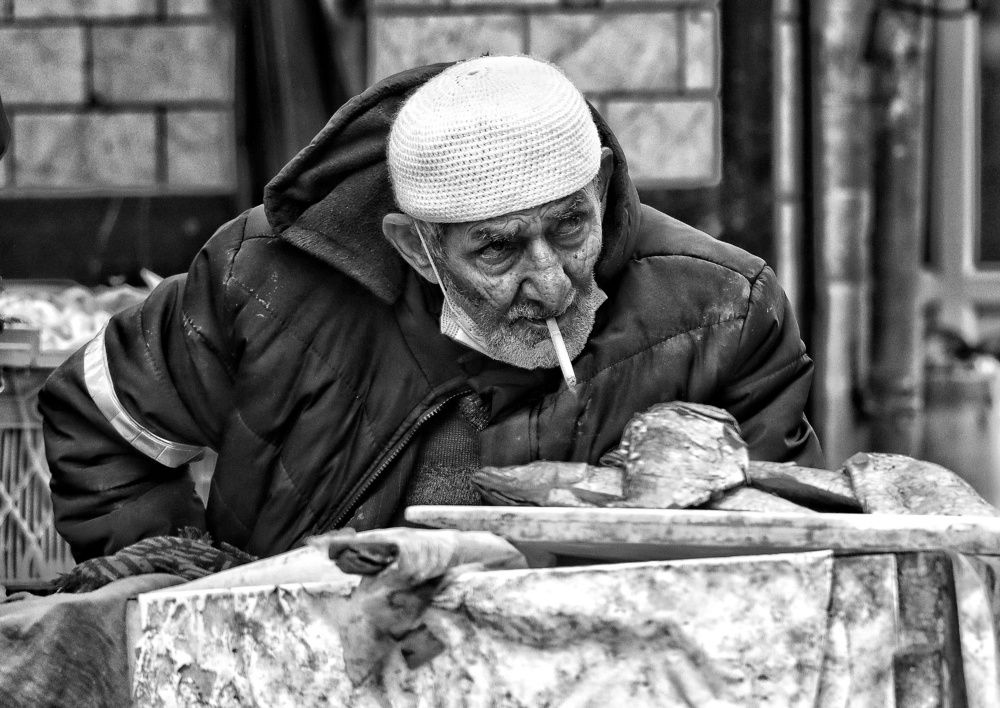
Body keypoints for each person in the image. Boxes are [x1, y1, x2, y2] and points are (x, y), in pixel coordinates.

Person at [40, 56, 823, 562]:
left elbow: (785, 551)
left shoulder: (726, 311)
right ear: (417, 248)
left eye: (570, 227)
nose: (553, 285)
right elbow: (105, 423)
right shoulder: (266, 282)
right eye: (498, 250)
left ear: (605, 183)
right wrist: (191, 597)